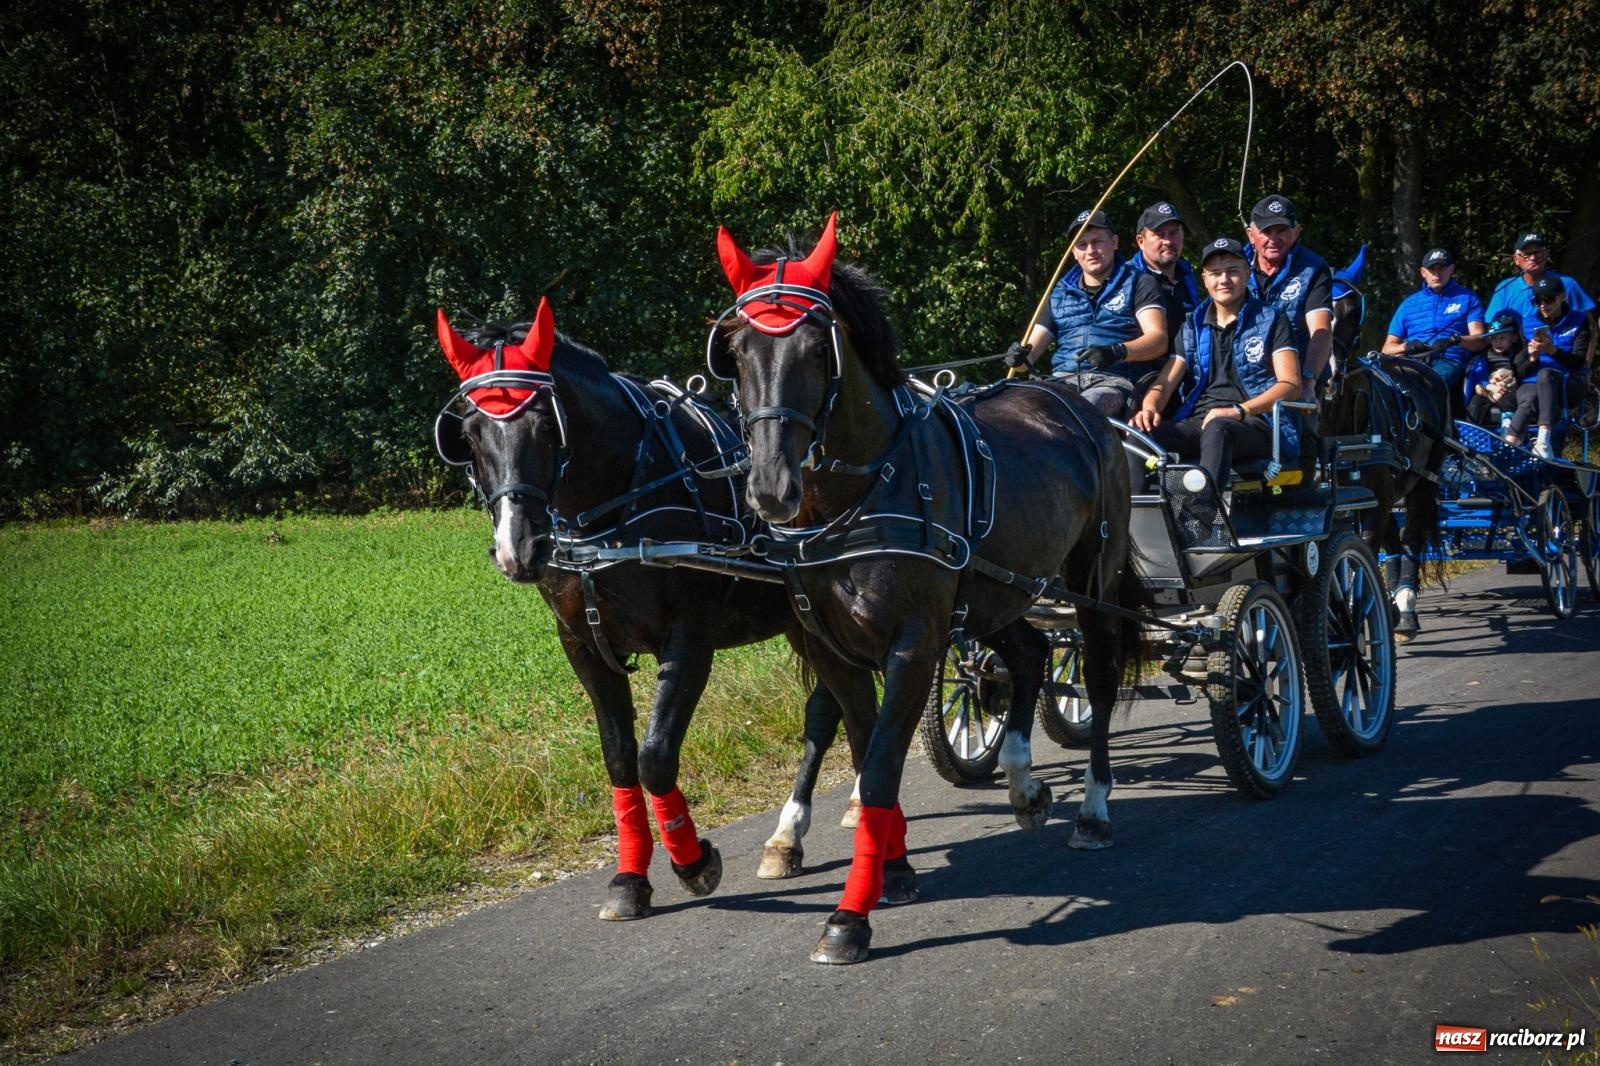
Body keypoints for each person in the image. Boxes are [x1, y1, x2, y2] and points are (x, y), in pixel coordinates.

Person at [1130, 237, 1301, 522]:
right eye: (1216, 273)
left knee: (1219, 427)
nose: (1224, 279)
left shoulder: (1273, 319)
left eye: (1233, 270)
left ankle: (1201, 524)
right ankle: (1132, 528)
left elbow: (1291, 385)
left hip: (1257, 423)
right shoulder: (1192, 324)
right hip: (1202, 421)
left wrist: (1239, 410)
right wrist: (1149, 407)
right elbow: (1169, 376)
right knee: (1139, 437)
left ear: (1247, 274)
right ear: (1205, 279)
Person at [1004, 208, 1169, 416]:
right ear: (1073, 252)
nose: (1090, 250)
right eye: (1082, 244)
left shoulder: (1140, 283)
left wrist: (1117, 352)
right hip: (1061, 382)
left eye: (1097, 241)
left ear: (1114, 242)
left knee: (1082, 409)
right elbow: (1029, 356)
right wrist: (1018, 358)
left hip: (1116, 382)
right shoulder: (1058, 294)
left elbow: (1158, 340)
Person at [1244, 194, 1333, 401]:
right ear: (1251, 234)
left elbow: (1321, 330)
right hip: (1246, 378)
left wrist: (1308, 381)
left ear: (1297, 231)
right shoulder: (1233, 267)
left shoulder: (1314, 269)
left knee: (1304, 428)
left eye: (1282, 230)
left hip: (1299, 379)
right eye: (1266, 231)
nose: (1274, 239)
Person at [1380, 246, 1487, 415]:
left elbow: (1480, 340)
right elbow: (1387, 349)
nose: (1437, 274)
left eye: (1442, 268)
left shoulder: (1468, 298)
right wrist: (1406, 347)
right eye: (1432, 269)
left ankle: (1428, 429)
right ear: (1423, 272)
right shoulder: (1409, 304)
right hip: (1412, 361)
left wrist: (1456, 340)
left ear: (1451, 269)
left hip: (1450, 361)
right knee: (1383, 384)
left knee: (1429, 382)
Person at [1504, 275, 1592, 457]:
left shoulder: (1578, 320)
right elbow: (1519, 371)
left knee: (1546, 374)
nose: (1543, 305)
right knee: (1529, 398)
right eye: (1537, 301)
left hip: (1567, 383)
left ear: (1562, 296)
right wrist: (1532, 358)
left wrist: (1552, 351)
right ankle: (1508, 448)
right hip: (1532, 383)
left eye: (1549, 299)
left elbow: (1578, 362)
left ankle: (1544, 440)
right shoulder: (1527, 323)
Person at [1483, 231, 1596, 349]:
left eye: (1538, 253)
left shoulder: (1567, 284)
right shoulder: (1505, 288)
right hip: (1517, 358)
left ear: (1547, 254)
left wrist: (1585, 364)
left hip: (1561, 357)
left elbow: (1591, 327)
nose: (1533, 258)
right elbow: (1491, 327)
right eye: (1526, 254)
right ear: (1516, 259)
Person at [1131, 201, 1199, 340]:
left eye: (1174, 233)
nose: (1168, 241)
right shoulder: (1127, 280)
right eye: (1160, 234)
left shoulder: (1187, 274)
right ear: (1141, 241)